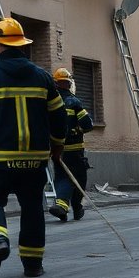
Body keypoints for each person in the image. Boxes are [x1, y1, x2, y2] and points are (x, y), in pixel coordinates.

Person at [0, 17, 67, 278]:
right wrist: (57, 147)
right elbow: (59, 118)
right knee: (32, 205)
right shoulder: (43, 78)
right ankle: (33, 264)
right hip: (35, 159)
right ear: (22, 45)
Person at [48, 67, 95, 222]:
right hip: (74, 151)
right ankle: (75, 207)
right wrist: (77, 130)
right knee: (78, 178)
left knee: (62, 177)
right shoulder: (74, 102)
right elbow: (88, 124)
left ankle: (62, 205)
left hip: (56, 150)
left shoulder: (49, 102)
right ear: (69, 84)